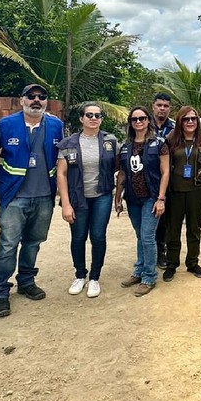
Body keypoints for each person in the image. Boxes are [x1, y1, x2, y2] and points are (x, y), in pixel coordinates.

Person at [0, 84, 65, 318]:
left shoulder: (55, 125)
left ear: (46, 101)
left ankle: (26, 281)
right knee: (7, 245)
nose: (36, 100)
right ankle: (0, 291)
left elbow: (61, 159)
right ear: (21, 100)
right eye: (31, 97)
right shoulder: (6, 124)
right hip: (14, 196)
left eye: (41, 97)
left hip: (44, 196)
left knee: (33, 242)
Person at [55, 102, 118, 299]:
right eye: (89, 115)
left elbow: (119, 167)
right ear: (81, 119)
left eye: (97, 115)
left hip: (102, 196)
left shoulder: (110, 141)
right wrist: (65, 204)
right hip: (77, 197)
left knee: (98, 236)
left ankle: (94, 278)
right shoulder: (68, 143)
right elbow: (61, 174)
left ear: (101, 119)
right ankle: (80, 275)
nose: (93, 118)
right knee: (78, 237)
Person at [115, 106, 170, 297]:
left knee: (147, 236)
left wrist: (161, 198)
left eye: (142, 118)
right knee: (140, 235)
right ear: (130, 123)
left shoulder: (159, 144)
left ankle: (149, 276)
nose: (138, 122)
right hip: (132, 198)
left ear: (148, 120)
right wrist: (118, 197)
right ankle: (138, 270)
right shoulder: (125, 147)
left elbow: (165, 172)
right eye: (134, 119)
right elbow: (122, 173)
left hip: (152, 197)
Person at [162, 106, 201, 282]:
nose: (190, 122)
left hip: (197, 192)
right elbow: (165, 166)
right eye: (186, 119)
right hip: (175, 191)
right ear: (180, 121)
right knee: (173, 230)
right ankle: (171, 264)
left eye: (193, 118)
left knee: (194, 229)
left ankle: (192, 262)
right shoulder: (171, 139)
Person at [152, 93, 175, 270]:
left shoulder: (175, 129)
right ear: (153, 106)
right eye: (159, 105)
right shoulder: (143, 124)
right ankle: (147, 252)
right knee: (147, 217)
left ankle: (162, 251)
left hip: (168, 180)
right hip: (148, 179)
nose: (162, 108)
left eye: (166, 106)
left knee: (165, 219)